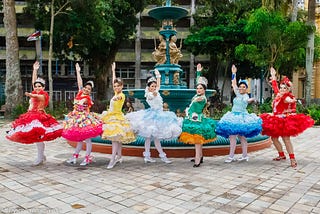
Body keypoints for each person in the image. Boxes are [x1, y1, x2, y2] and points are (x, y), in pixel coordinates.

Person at [6, 61, 63, 166]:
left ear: (43, 87)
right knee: (37, 138)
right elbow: (33, 82)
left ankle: (40, 157)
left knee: (38, 137)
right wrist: (34, 70)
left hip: (39, 117)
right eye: (36, 86)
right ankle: (41, 155)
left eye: (39, 87)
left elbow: (38, 97)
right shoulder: (35, 91)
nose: (37, 88)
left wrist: (31, 95)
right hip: (31, 116)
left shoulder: (44, 95)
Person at [260, 67, 314, 168]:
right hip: (275, 120)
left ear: (288, 89)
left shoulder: (286, 97)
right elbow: (275, 87)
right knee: (274, 138)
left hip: (284, 121)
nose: (282, 89)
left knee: (286, 139)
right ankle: (281, 155)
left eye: (285, 88)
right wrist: (273, 76)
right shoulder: (278, 95)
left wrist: (292, 101)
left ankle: (292, 158)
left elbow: (289, 99)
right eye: (281, 88)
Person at [126, 69, 182, 164]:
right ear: (149, 87)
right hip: (153, 116)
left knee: (151, 138)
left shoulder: (156, 90)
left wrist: (158, 76)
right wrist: (153, 94)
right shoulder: (149, 94)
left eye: (155, 86)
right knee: (153, 138)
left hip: (160, 115)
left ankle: (149, 156)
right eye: (152, 86)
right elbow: (151, 96)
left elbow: (159, 86)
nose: (154, 87)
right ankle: (161, 157)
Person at [216, 65, 262, 163]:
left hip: (241, 117)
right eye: (240, 86)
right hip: (233, 115)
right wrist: (234, 73)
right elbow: (233, 83)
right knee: (235, 137)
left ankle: (233, 156)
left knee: (239, 137)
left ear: (246, 89)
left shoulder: (245, 96)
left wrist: (252, 99)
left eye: (243, 87)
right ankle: (242, 156)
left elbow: (247, 100)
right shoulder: (237, 93)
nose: (241, 88)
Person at [62, 63, 103, 166]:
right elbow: (79, 82)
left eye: (89, 89)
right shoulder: (80, 93)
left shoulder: (87, 98)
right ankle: (75, 156)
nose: (86, 90)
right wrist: (78, 71)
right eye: (85, 88)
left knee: (87, 139)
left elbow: (83, 102)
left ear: (90, 91)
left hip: (84, 119)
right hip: (75, 118)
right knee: (79, 139)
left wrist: (81, 101)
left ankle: (87, 157)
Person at [179, 63, 217, 167]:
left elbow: (198, 100)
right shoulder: (197, 95)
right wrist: (198, 72)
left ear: (204, 90)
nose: (198, 90)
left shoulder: (202, 98)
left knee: (197, 140)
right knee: (197, 140)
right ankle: (200, 156)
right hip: (191, 118)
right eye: (197, 88)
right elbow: (198, 82)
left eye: (200, 88)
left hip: (197, 120)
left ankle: (197, 160)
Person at [101, 62, 136, 169]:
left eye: (118, 86)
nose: (116, 87)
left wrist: (116, 98)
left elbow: (119, 98)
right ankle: (119, 156)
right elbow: (113, 81)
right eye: (115, 86)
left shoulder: (121, 95)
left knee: (115, 139)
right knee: (117, 139)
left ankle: (113, 159)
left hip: (117, 117)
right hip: (111, 116)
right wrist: (113, 71)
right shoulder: (116, 93)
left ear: (122, 86)